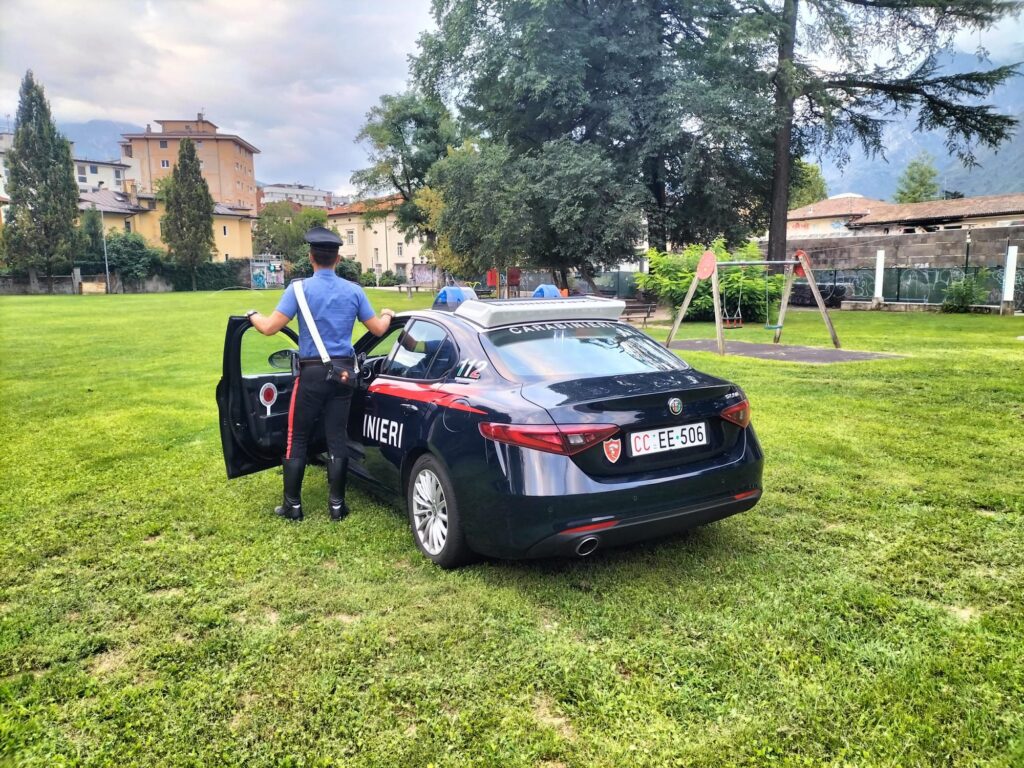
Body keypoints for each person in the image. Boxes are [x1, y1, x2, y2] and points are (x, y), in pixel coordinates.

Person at [246, 227, 395, 522]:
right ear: (337, 258)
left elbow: (268, 327)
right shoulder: (354, 291)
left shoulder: (298, 290)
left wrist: (252, 314)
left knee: (296, 437)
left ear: (311, 257)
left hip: (311, 374)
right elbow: (378, 329)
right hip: (343, 375)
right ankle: (337, 506)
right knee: (337, 437)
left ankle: (293, 505)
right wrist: (388, 313)